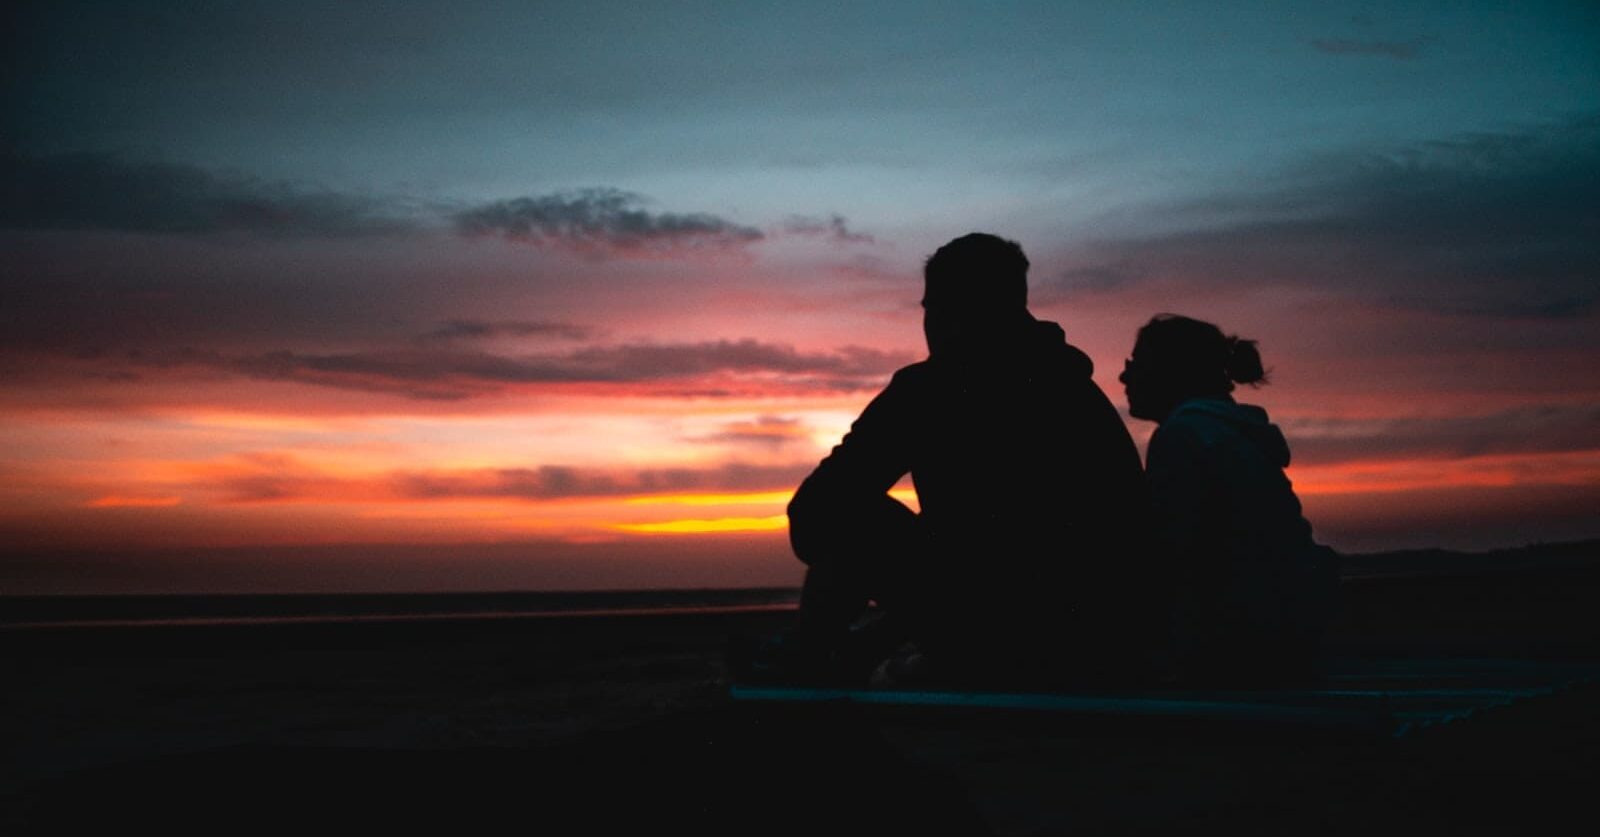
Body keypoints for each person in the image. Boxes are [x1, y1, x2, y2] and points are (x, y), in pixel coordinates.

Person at [744, 233, 1158, 688]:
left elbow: (814, 517)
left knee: (848, 510)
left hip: (1006, 644)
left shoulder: (930, 390)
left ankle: (812, 664)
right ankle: (837, 658)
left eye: (930, 307)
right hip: (1109, 643)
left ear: (948, 310)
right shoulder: (1078, 391)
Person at [1119, 314, 1339, 683]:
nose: (1125, 378)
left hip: (1238, 653)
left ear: (1170, 371)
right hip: (1286, 637)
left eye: (1135, 365)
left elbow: (1175, 556)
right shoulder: (1227, 432)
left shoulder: (1186, 436)